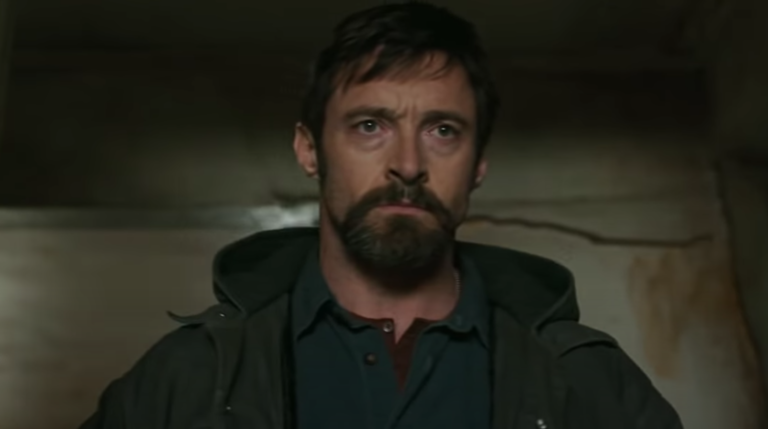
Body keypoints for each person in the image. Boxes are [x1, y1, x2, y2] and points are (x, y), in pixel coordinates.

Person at [80, 2, 683, 428]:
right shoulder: (188, 375)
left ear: (478, 165)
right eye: (370, 125)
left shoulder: (586, 379)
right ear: (309, 150)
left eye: (443, 130)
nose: (408, 164)